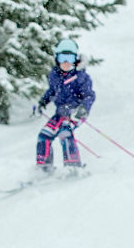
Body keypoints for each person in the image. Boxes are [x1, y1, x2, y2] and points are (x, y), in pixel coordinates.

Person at [36, 38, 95, 171]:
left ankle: (73, 165)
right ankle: (44, 166)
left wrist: (83, 108)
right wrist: (43, 101)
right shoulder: (54, 75)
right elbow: (52, 91)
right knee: (44, 135)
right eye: (63, 57)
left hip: (75, 113)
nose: (66, 62)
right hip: (60, 113)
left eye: (70, 58)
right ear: (57, 58)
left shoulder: (81, 76)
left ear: (76, 59)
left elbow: (89, 95)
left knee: (65, 133)